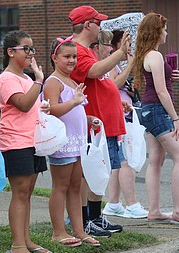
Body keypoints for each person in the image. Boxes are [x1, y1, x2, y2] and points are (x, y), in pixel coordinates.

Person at [68, 5, 131, 237]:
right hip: (91, 122)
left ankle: (94, 216)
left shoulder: (86, 50)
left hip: (103, 122)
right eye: (98, 22)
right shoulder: (77, 49)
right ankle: (84, 219)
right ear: (88, 25)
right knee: (88, 174)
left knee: (98, 173)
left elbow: (102, 82)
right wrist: (120, 52)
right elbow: (93, 72)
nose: (101, 26)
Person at [132, 12, 179, 226]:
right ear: (157, 31)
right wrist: (176, 119)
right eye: (164, 29)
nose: (167, 32)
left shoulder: (147, 55)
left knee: (156, 161)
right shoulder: (155, 55)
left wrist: (171, 75)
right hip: (158, 110)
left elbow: (156, 83)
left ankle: (154, 210)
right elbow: (161, 92)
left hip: (148, 109)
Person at [0, 30, 51, 253]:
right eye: (25, 49)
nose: (30, 53)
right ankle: (17, 246)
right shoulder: (7, 78)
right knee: (19, 193)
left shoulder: (26, 78)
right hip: (15, 142)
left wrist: (43, 106)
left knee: (27, 192)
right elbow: (23, 104)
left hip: (33, 141)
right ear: (10, 52)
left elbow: (32, 106)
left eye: (32, 49)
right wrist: (39, 81)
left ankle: (26, 240)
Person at [43, 36, 101, 247]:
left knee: (76, 187)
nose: (72, 61)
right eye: (66, 56)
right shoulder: (53, 82)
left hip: (77, 143)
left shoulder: (73, 82)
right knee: (61, 186)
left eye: (74, 57)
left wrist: (89, 119)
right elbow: (52, 110)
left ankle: (79, 229)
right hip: (62, 143)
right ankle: (58, 231)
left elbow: (75, 111)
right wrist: (73, 101)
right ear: (54, 58)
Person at [102, 29, 148, 219]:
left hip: (123, 111)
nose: (130, 45)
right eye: (126, 41)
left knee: (118, 161)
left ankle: (113, 202)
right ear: (116, 45)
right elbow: (113, 84)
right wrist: (129, 64)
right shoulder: (113, 63)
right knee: (125, 161)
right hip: (117, 115)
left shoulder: (117, 64)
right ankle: (132, 203)